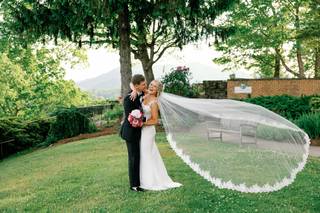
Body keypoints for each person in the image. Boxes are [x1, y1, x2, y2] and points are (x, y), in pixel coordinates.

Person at [132, 80, 182, 190]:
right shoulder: (145, 95)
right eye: (150, 85)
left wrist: (140, 123)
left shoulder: (154, 102)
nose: (151, 87)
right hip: (142, 131)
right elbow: (133, 84)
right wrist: (134, 90)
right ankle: (143, 178)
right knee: (147, 153)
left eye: (154, 86)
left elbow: (155, 120)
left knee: (146, 154)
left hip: (148, 131)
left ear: (158, 90)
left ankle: (149, 181)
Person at [120, 74, 147, 192]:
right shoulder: (129, 98)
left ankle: (138, 182)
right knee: (133, 158)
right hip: (131, 133)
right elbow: (131, 118)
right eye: (143, 84)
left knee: (137, 157)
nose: (145, 86)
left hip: (137, 132)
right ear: (136, 85)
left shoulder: (139, 94)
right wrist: (144, 120)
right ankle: (134, 185)